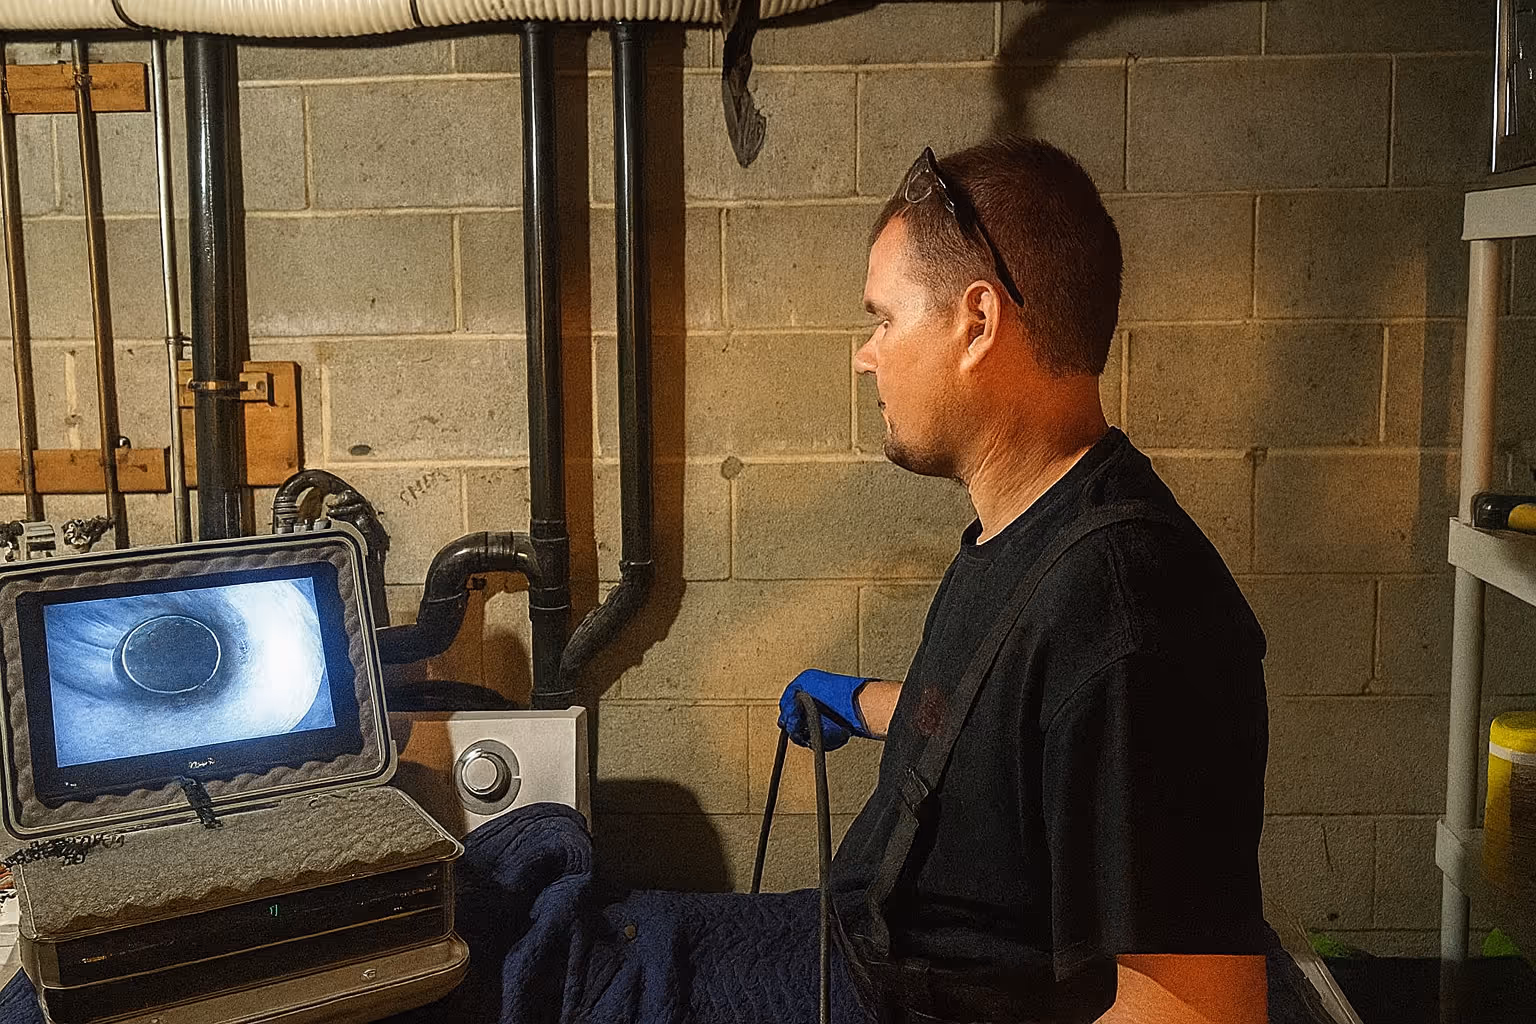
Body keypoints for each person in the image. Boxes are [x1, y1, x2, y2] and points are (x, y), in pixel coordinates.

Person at [777, 136, 1273, 1024]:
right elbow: (996, 722)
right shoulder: (1034, 528)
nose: (865, 354)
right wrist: (858, 701)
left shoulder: (1131, 617)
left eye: (883, 319)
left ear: (977, 323)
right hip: (854, 961)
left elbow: (1199, 1014)